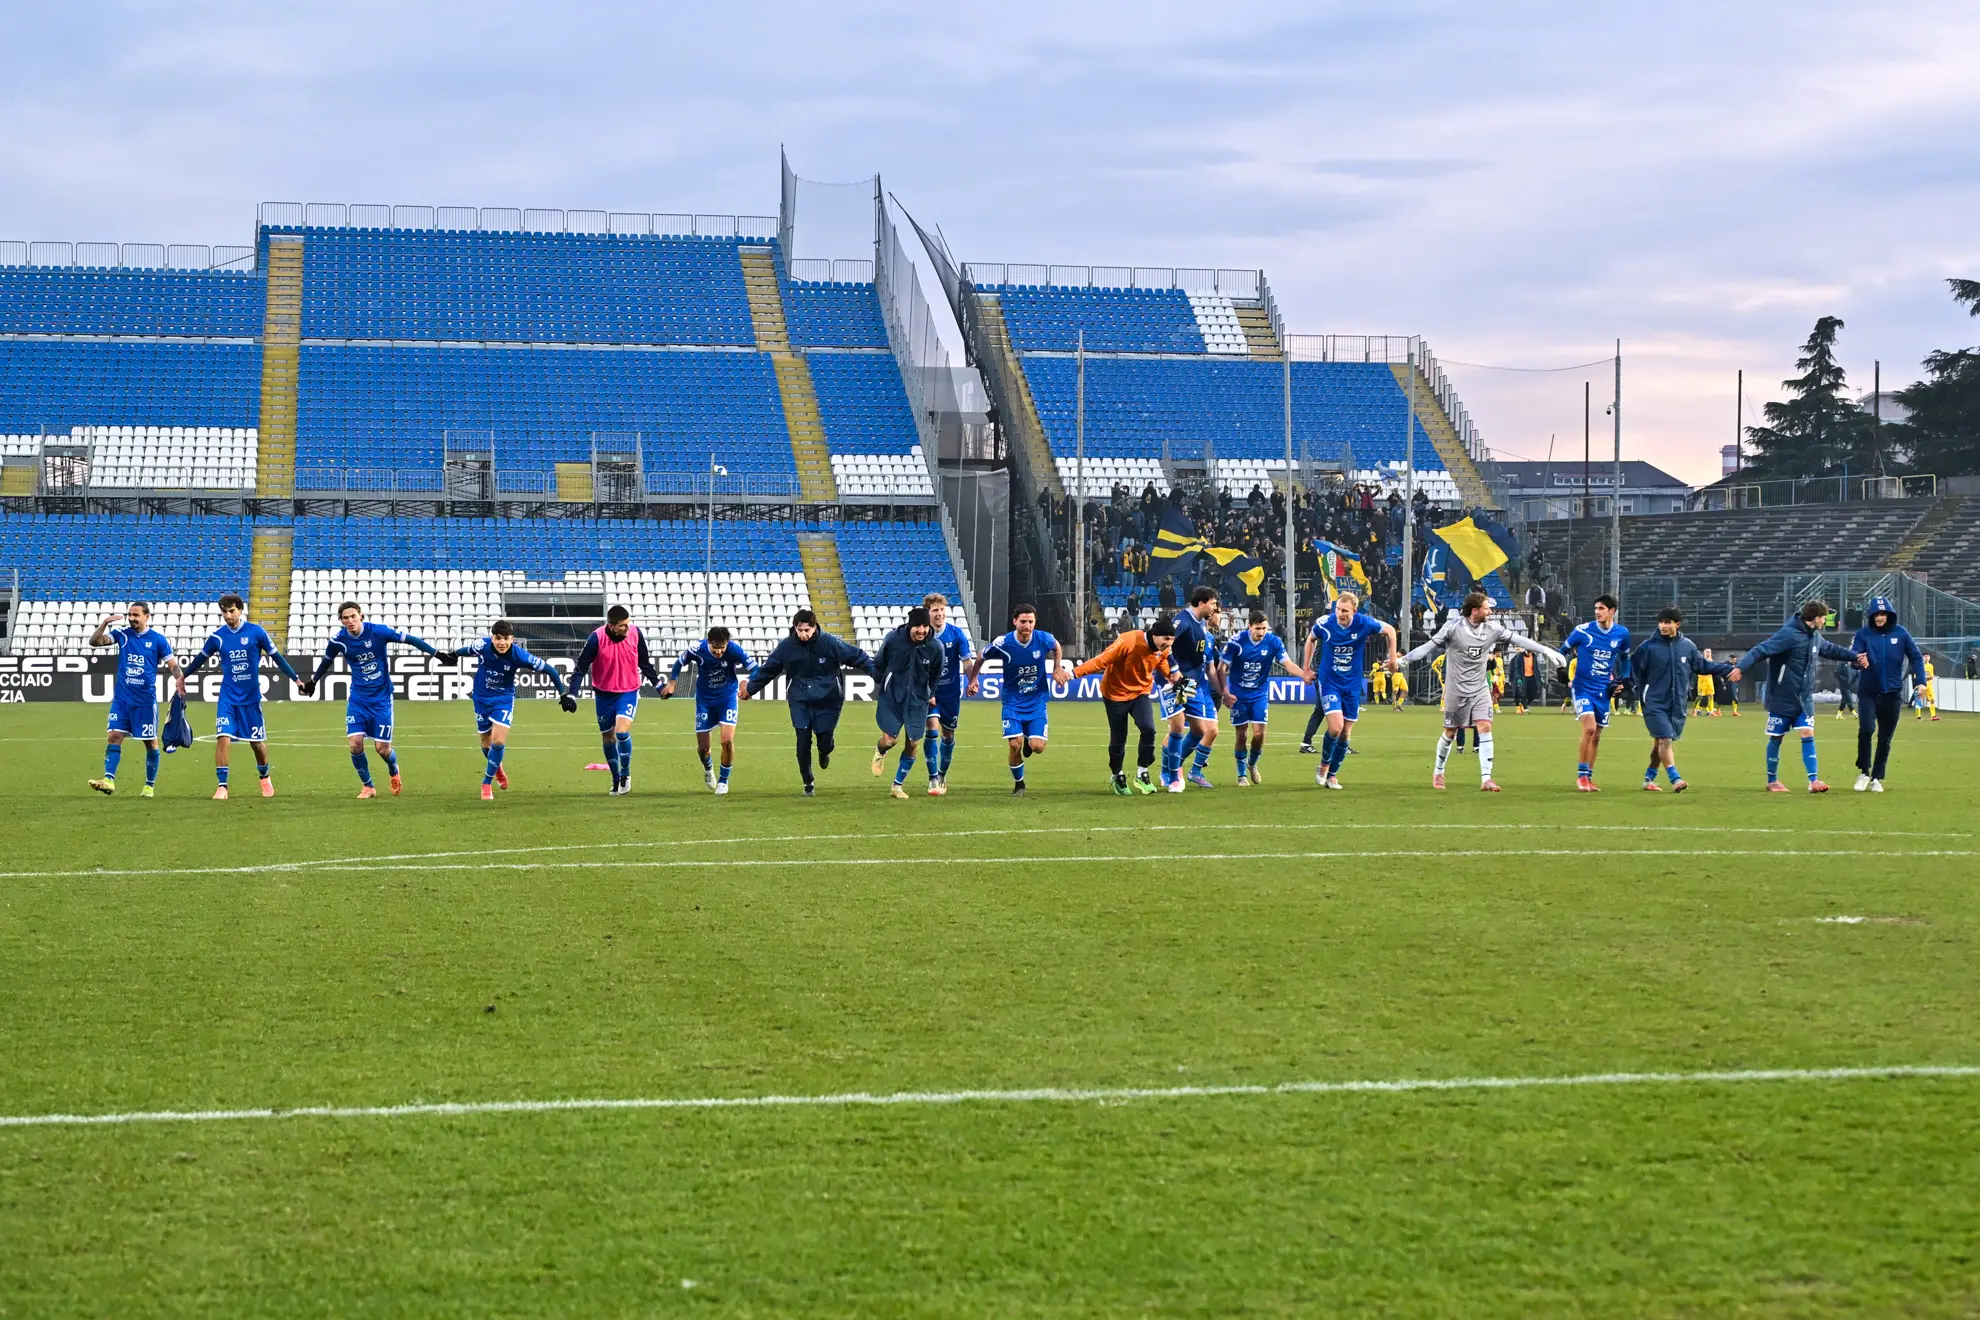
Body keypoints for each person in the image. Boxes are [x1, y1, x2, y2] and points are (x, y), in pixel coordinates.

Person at [1399, 591, 1565, 791]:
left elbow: (1518, 640)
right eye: (1487, 608)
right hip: (1456, 690)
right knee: (1450, 732)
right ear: (1475, 610)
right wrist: (1403, 661)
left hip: (1480, 688)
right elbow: (1426, 647)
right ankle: (1438, 771)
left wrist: (1546, 650)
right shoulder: (1452, 628)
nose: (1491, 612)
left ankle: (1486, 778)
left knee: (1485, 726)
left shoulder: (1492, 628)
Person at [301, 602, 443, 799]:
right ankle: (368, 786)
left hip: (382, 699)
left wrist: (437, 654)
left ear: (361, 615)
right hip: (358, 699)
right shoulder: (339, 640)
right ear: (341, 621)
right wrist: (313, 681)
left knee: (382, 749)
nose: (350, 621)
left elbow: (410, 639)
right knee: (355, 744)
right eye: (345, 618)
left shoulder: (378, 632)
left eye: (353, 616)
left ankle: (393, 769)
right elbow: (327, 660)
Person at [179, 593, 304, 799]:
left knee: (256, 743)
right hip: (228, 697)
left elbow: (277, 658)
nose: (228, 616)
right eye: (224, 612)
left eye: (232, 611)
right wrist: (183, 677)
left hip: (251, 698)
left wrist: (296, 680)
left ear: (240, 610)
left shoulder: (256, 632)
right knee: (223, 737)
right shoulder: (218, 637)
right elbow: (200, 659)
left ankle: (264, 777)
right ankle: (222, 786)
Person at [1735, 599, 1866, 793]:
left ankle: (1814, 781)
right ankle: (1772, 780)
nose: (1825, 621)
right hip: (1782, 696)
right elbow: (1760, 650)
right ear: (1816, 618)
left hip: (1804, 698)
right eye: (1824, 617)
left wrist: (1854, 656)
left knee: (1807, 733)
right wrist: (1740, 667)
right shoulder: (1788, 634)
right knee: (1776, 737)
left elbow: (1830, 649)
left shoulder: (1815, 636)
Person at [746, 608, 873, 797]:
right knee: (802, 741)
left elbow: (856, 656)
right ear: (795, 628)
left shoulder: (829, 642)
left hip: (828, 699)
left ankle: (825, 751)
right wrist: (750, 689)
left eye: (807, 630)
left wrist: (875, 672)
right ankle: (808, 782)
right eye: (800, 630)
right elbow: (768, 670)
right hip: (800, 699)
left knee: (825, 741)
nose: (803, 634)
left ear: (814, 627)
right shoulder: (786, 647)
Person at [455, 620, 577, 800]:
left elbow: (550, 670)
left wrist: (563, 694)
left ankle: (486, 783)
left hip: (503, 699)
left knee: (498, 742)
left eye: (506, 638)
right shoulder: (482, 645)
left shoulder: (519, 655)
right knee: (485, 743)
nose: (502, 643)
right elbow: (466, 650)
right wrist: (453, 655)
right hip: (480, 698)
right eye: (498, 638)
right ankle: (498, 769)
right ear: (492, 638)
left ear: (512, 639)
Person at [967, 603, 1070, 796]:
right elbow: (981, 656)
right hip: (1012, 702)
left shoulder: (1043, 638)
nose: (1027, 626)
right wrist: (973, 679)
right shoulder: (1003, 643)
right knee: (1015, 745)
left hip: (1037, 701)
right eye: (1023, 621)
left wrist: (1057, 667)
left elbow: (1056, 646)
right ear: (1015, 621)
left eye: (1030, 622)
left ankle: (1030, 739)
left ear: (1035, 622)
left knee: (1038, 747)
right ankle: (1019, 784)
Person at [1630, 606, 1732, 792]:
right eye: (1661, 623)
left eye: (1667, 622)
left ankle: (1648, 779)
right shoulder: (1647, 647)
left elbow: (1703, 666)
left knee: (1660, 741)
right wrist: (1628, 690)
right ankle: (1675, 778)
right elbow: (1632, 671)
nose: (1663, 626)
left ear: (1677, 624)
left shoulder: (1688, 646)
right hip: (1654, 702)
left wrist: (1730, 670)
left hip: (1677, 703)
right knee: (1665, 738)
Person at [86, 601, 183, 798]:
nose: (131, 618)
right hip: (122, 699)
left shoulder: (158, 640)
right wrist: (105, 623)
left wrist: (180, 680)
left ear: (147, 617)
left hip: (145, 701)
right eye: (130, 615)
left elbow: (172, 665)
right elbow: (95, 642)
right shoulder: (122, 635)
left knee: (150, 743)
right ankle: (109, 780)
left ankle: (149, 786)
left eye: (136, 615)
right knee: (114, 736)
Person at [1300, 592, 1395, 790]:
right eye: (1338, 609)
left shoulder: (1364, 623)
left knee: (1345, 733)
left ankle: (1332, 776)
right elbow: (1310, 639)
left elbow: (1390, 631)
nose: (1340, 614)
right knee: (1335, 727)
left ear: (1354, 611)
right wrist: (1306, 669)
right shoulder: (1325, 623)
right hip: (1329, 681)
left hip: (1352, 684)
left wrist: (1392, 658)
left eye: (1344, 610)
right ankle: (1324, 766)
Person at [1072, 615, 1176, 795]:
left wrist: (1173, 677)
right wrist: (1074, 673)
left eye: (1172, 639)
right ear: (1154, 635)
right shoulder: (1129, 640)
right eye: (1166, 638)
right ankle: (1117, 775)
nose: (1169, 643)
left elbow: (1161, 662)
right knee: (1119, 738)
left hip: (1140, 692)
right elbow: (1101, 660)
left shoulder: (1163, 648)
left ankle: (1142, 773)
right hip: (1115, 694)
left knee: (1149, 729)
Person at [570, 604, 661, 797]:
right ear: (611, 626)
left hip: (628, 691)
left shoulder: (635, 633)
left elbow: (644, 662)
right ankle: (616, 777)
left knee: (621, 731)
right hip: (604, 695)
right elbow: (581, 667)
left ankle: (625, 774)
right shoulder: (596, 638)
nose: (628, 627)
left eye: (628, 623)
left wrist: (658, 685)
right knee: (608, 738)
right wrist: (572, 694)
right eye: (623, 625)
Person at [1221, 609, 1311, 786]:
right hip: (1238, 695)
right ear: (1249, 627)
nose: (1261, 632)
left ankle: (1252, 764)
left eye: (1264, 628)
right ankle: (1241, 774)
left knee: (1259, 734)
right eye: (1258, 628)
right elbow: (1221, 668)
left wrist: (1304, 675)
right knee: (1241, 734)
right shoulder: (1236, 642)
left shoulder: (1273, 642)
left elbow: (1288, 664)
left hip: (1259, 694)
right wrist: (1225, 692)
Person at [661, 625, 752, 796]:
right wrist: (672, 682)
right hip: (704, 700)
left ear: (727, 643)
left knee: (727, 740)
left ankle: (723, 781)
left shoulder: (734, 650)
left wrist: (745, 681)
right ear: (709, 642)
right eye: (715, 647)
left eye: (722, 647)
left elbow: (756, 669)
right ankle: (708, 768)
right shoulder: (698, 648)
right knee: (703, 748)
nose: (719, 651)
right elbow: (679, 662)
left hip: (727, 698)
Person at [1849, 595, 1925, 792]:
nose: (1879, 618)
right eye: (1876, 614)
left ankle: (1876, 777)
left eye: (1883, 614)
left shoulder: (1901, 633)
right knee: (1866, 730)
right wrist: (1857, 661)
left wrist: (1920, 682)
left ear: (1890, 615)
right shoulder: (1863, 634)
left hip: (1892, 693)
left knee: (1885, 738)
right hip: (1868, 692)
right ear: (1871, 616)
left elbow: (1916, 657)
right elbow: (1854, 656)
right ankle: (1864, 772)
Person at [870, 606, 947, 800]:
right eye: (917, 627)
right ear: (909, 626)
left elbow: (936, 675)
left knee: (913, 744)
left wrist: (930, 693)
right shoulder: (893, 639)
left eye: (925, 626)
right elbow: (879, 662)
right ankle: (880, 751)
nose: (921, 631)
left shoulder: (936, 647)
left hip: (917, 700)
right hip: (892, 697)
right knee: (890, 741)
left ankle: (897, 786)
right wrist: (883, 680)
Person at [1559, 594, 1632, 792]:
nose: (1597, 612)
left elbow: (1625, 658)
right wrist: (1561, 670)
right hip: (1582, 687)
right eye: (1596, 608)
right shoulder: (1583, 631)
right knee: (1590, 728)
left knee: (1597, 735)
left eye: (1601, 608)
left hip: (1603, 690)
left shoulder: (1622, 633)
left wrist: (1624, 680)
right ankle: (1582, 777)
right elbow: (1561, 651)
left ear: (1612, 611)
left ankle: (1589, 777)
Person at [1162, 587, 1227, 791]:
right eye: (1213, 604)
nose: (1215, 608)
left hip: (1195, 684)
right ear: (1202, 603)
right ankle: (1170, 773)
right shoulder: (1183, 621)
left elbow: (1209, 665)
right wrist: (1173, 670)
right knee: (1177, 728)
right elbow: (1165, 644)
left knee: (1201, 730)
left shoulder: (1202, 626)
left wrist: (1223, 692)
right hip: (1178, 682)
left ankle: (1179, 770)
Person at [922, 593, 973, 793]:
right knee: (932, 728)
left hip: (950, 693)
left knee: (948, 735)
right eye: (935, 610)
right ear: (928, 613)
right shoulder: (922, 634)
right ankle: (933, 778)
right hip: (929, 693)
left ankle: (942, 773)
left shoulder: (956, 634)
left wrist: (973, 680)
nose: (939, 614)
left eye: (942, 609)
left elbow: (967, 662)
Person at [1694, 650, 1720, 716]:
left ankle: (1711, 712)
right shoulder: (1701, 660)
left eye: (1709, 652)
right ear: (1704, 653)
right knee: (1701, 696)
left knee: (1711, 695)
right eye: (1707, 652)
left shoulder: (1712, 661)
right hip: (1702, 680)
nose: (1708, 653)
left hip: (1709, 680)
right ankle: (1695, 711)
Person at [1913, 656, 1939, 721]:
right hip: (1921, 685)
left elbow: (1932, 675)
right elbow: (1915, 676)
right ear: (1922, 658)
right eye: (1925, 656)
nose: (1926, 658)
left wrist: (1931, 677)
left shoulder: (1931, 666)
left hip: (1929, 685)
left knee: (1932, 699)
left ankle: (1933, 715)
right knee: (1918, 700)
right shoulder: (1919, 665)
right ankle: (1918, 716)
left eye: (1927, 656)